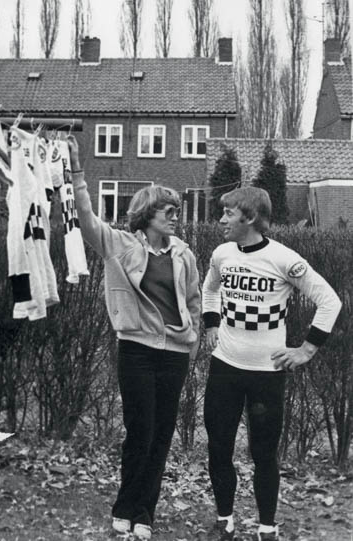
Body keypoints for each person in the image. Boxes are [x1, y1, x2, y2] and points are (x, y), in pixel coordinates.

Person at [68, 136, 201, 540]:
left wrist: (191, 338)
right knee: (139, 429)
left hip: (175, 353)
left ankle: (144, 512)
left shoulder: (184, 254)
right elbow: (87, 219)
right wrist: (77, 172)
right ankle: (124, 505)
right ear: (146, 214)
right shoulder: (119, 246)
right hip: (137, 351)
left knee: (162, 433)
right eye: (168, 211)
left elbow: (193, 300)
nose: (175, 218)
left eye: (177, 212)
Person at [202, 187, 342, 541]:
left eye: (228, 214)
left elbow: (329, 301)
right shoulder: (222, 254)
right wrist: (211, 324)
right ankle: (225, 521)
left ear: (249, 218)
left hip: (267, 374)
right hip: (225, 368)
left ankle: (266, 527)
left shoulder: (283, 259)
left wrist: (307, 350)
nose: (221, 220)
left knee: (263, 453)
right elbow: (210, 289)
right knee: (219, 446)